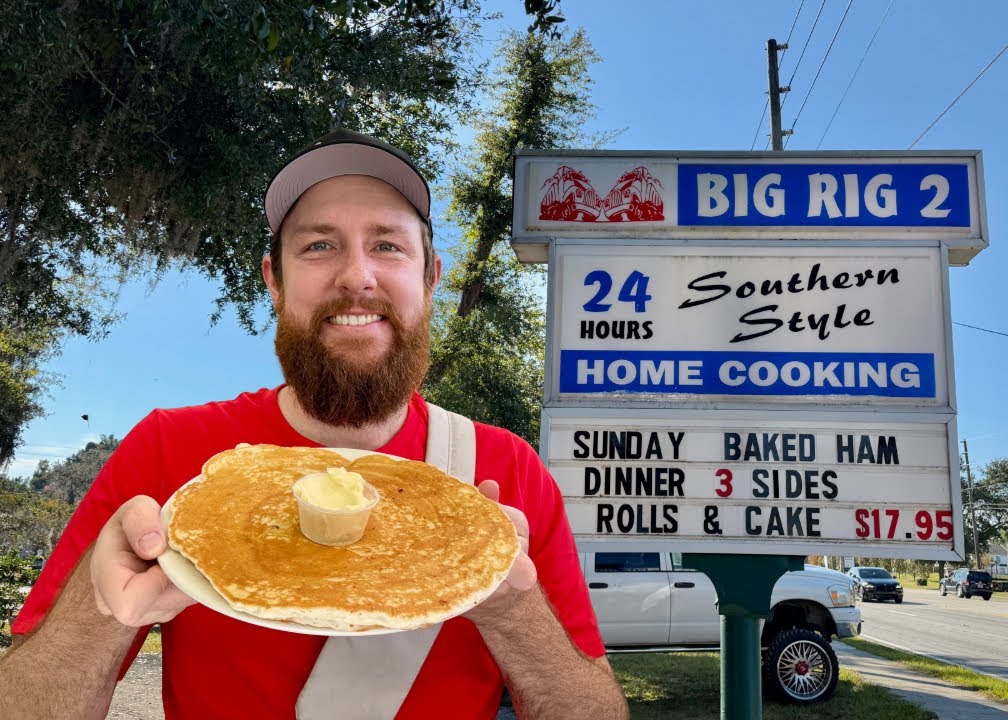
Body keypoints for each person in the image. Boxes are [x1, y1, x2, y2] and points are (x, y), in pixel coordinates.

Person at [0, 129, 629, 719]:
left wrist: (513, 610)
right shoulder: (171, 451)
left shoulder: (506, 471)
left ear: (430, 279)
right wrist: (99, 607)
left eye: (387, 244)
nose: (357, 276)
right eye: (319, 245)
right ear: (275, 280)